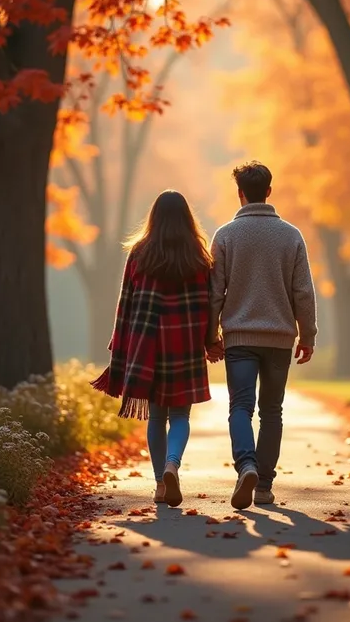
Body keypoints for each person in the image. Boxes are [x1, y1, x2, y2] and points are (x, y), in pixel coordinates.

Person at [91, 190, 222, 508]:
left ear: (154, 217)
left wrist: (121, 347)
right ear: (187, 219)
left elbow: (126, 303)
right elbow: (207, 304)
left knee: (156, 417)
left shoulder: (139, 253)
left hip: (147, 344)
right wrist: (209, 341)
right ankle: (172, 465)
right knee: (180, 415)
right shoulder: (199, 255)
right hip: (184, 343)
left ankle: (160, 485)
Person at [206, 162, 317, 510]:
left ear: (240, 193)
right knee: (272, 410)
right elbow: (303, 292)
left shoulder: (225, 236)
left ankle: (247, 465)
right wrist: (307, 334)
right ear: (269, 191)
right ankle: (264, 486)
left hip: (239, 337)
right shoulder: (291, 235)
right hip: (279, 338)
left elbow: (214, 293)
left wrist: (211, 335)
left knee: (240, 406)